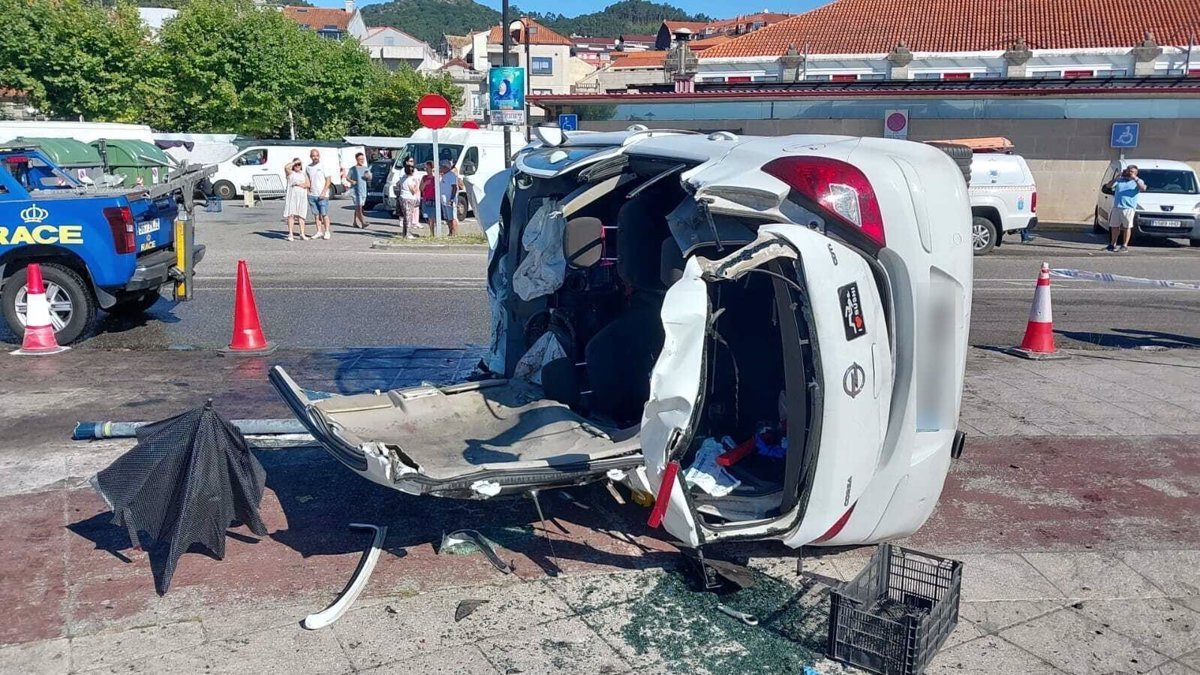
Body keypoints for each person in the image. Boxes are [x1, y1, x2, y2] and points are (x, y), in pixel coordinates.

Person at [1104, 165, 1146, 252]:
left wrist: (1135, 178)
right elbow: (1108, 186)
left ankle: (1124, 245)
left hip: (1128, 208)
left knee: (1127, 227)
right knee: (1114, 226)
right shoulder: (1120, 180)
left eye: (1131, 171)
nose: (1129, 173)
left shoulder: (1138, 181)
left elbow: (1143, 188)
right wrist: (1116, 178)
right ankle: (1112, 244)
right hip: (1117, 206)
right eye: (1128, 171)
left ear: (1135, 173)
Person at [306, 149, 332, 240]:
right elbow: (308, 179)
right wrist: (308, 191)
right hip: (312, 194)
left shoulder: (323, 166)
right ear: (310, 156)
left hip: (323, 194)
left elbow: (328, 180)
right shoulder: (308, 167)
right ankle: (319, 231)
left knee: (324, 214)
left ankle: (327, 231)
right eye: (313, 156)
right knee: (316, 215)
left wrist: (324, 192)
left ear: (319, 156)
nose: (315, 157)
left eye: (316, 155)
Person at [283, 158, 310, 241]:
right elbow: (286, 167)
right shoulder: (291, 173)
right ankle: (290, 233)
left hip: (302, 196)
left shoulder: (303, 174)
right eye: (296, 165)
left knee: (301, 215)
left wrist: (299, 184)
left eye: (299, 165)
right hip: (292, 196)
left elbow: (308, 184)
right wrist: (294, 162)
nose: (297, 166)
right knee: (291, 214)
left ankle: (302, 233)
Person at [346, 152, 372, 229]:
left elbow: (370, 179)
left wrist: (368, 177)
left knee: (358, 207)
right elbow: (347, 177)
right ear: (356, 159)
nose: (362, 160)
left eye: (363, 159)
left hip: (363, 190)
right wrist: (352, 181)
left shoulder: (365, 168)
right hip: (356, 191)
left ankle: (354, 222)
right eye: (360, 159)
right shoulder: (353, 169)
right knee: (359, 207)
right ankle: (363, 222)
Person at [399, 163, 421, 239]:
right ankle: (408, 234)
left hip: (402, 197)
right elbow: (413, 191)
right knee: (409, 216)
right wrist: (417, 185)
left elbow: (398, 184)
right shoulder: (410, 180)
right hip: (409, 198)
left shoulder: (402, 178)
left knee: (406, 216)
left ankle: (404, 233)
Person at [439, 159, 459, 236]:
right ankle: (450, 232)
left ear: (445, 167)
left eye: (441, 167)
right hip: (443, 201)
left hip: (449, 200)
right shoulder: (444, 175)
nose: (440, 169)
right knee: (447, 218)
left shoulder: (451, 175)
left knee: (452, 217)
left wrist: (451, 199)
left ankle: (454, 233)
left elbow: (454, 187)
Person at [419, 161, 437, 226]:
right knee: (427, 216)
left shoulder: (436, 177)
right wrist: (425, 183)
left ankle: (433, 232)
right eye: (425, 168)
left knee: (433, 216)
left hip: (434, 199)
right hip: (426, 199)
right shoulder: (424, 177)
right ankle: (431, 231)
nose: (426, 169)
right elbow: (421, 188)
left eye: (428, 168)